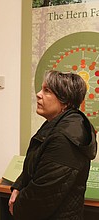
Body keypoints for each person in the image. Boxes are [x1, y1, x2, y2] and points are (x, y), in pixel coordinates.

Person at [8, 70, 97, 220]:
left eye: (47, 91)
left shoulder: (65, 137)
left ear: (65, 101)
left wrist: (17, 207)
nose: (38, 94)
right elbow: (36, 165)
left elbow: (42, 196)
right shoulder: (57, 124)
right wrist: (17, 187)